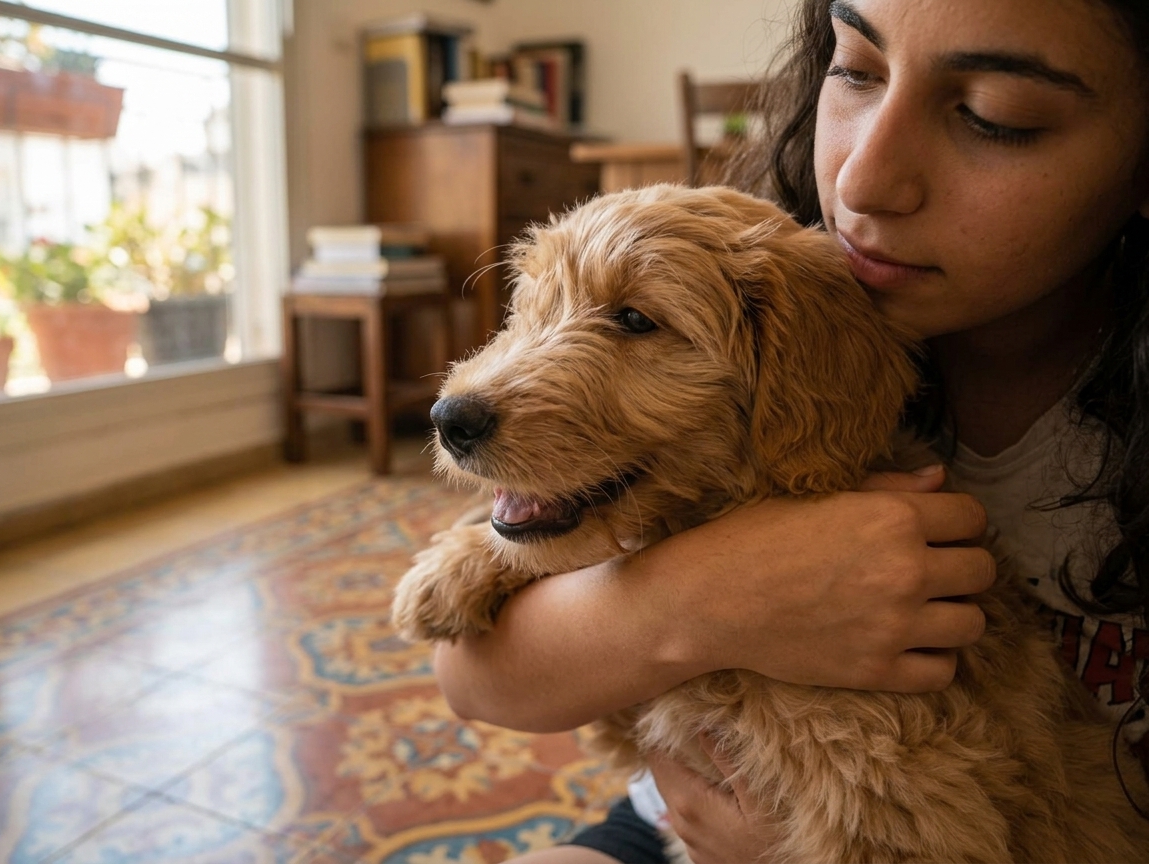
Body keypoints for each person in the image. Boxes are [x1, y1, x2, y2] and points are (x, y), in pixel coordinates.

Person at [434, 0, 1149, 861]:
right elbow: (469, 671)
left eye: (995, 116)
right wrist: (696, 598)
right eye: (854, 70)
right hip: (675, 812)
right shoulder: (771, 275)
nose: (860, 182)